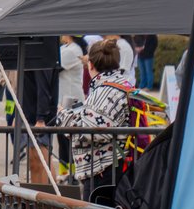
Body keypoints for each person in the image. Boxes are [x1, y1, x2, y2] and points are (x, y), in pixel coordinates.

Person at [54, 38, 134, 193]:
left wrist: (62, 115)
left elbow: (91, 129)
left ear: (90, 65)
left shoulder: (105, 90)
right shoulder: (120, 84)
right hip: (113, 165)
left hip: (103, 169)